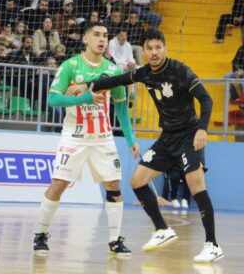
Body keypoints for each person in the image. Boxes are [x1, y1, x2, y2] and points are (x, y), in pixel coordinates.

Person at [83, 29, 223, 262]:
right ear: (144, 52)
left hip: (189, 135)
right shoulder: (144, 73)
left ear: (165, 48)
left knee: (196, 185)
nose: (154, 52)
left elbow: (206, 99)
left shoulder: (180, 70)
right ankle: (162, 229)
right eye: (150, 49)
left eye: (158, 48)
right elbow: (116, 80)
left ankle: (212, 244)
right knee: (137, 180)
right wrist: (89, 85)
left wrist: (202, 129)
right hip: (167, 138)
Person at [32, 21, 140, 259]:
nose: (102, 39)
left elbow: (121, 108)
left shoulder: (113, 70)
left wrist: (131, 139)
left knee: (113, 186)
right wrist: (84, 99)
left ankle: (114, 240)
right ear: (85, 39)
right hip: (75, 137)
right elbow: (52, 99)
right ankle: (40, 234)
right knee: (59, 184)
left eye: (105, 35)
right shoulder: (71, 66)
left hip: (103, 139)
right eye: (97, 35)